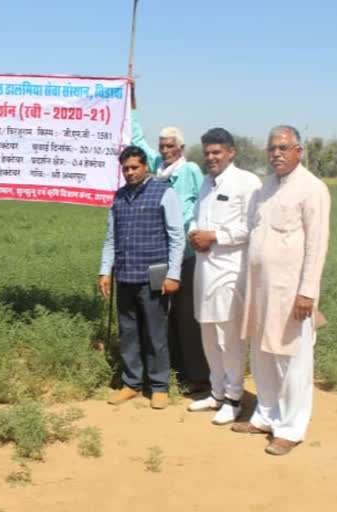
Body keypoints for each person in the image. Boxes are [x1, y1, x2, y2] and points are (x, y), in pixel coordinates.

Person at [232, 126, 331, 456]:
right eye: (272, 148)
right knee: (262, 355)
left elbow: (317, 244)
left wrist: (308, 292)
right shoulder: (265, 188)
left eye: (283, 148)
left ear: (298, 151)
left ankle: (291, 428)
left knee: (292, 359)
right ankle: (266, 415)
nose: (276, 153)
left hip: (291, 292)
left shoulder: (311, 189)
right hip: (261, 289)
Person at [129, 85, 208, 391]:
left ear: (181, 148)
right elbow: (135, 138)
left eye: (169, 146)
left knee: (187, 316)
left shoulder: (189, 171)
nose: (164, 151)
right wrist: (132, 98)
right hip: (156, 254)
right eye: (161, 146)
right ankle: (169, 368)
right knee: (160, 312)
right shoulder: (156, 168)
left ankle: (197, 374)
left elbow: (204, 203)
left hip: (185, 253)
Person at [99, 146, 185, 409]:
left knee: (156, 333)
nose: (130, 172)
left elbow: (176, 237)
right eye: (125, 168)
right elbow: (111, 239)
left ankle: (159, 386)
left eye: (135, 167)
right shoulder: (119, 197)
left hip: (155, 275)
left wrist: (173, 274)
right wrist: (105, 270)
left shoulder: (163, 193)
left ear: (145, 167)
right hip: (125, 275)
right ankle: (131, 383)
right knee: (129, 333)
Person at [186, 128, 262, 425]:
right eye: (207, 152)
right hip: (204, 269)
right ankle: (216, 392)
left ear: (231, 152)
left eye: (216, 152)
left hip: (231, 270)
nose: (210, 157)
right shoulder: (207, 183)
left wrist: (215, 236)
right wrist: (195, 232)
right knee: (208, 334)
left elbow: (253, 226)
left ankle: (234, 397)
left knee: (228, 337)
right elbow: (196, 215)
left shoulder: (247, 183)